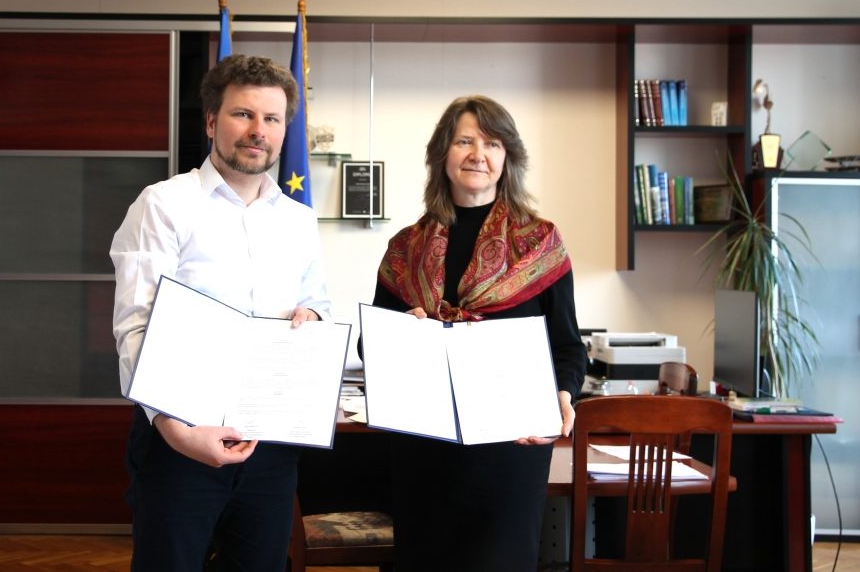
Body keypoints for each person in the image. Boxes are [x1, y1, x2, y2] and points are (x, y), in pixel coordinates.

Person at [110, 54, 331, 572]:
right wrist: (178, 431)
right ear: (211, 122)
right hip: (180, 437)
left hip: (270, 441)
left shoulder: (298, 220)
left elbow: (318, 304)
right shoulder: (163, 204)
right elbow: (135, 327)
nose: (258, 131)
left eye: (271, 119)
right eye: (243, 114)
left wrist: (313, 321)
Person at [370, 95, 586, 571]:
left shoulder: (540, 243)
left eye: (491, 143)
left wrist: (563, 395)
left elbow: (568, 346)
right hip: (423, 451)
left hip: (510, 451)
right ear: (442, 154)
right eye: (464, 141)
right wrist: (405, 332)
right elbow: (373, 345)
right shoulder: (405, 248)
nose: (477, 155)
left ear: (508, 157)